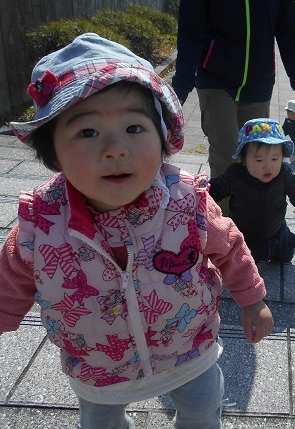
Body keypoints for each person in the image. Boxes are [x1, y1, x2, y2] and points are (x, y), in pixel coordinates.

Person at [0, 33, 274, 429]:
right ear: (53, 152)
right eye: (87, 132)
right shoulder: (39, 226)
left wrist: (252, 299)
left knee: (202, 408)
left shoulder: (187, 203)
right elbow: (9, 283)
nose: (115, 149)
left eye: (133, 127)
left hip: (188, 348)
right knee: (100, 423)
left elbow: (229, 247)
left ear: (162, 138)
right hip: (97, 365)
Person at [172, 0, 295, 185]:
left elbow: (290, 30)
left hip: (259, 83)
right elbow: (190, 29)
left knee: (257, 156)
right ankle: (220, 206)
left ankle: (250, 206)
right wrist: (181, 86)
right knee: (226, 155)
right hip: (215, 78)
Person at [209, 118, 295, 263]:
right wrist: (199, 192)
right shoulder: (235, 175)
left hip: (276, 229)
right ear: (244, 160)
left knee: (285, 256)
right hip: (245, 233)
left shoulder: (284, 173)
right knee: (247, 261)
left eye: (275, 159)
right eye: (259, 160)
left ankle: (282, 245)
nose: (268, 166)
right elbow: (215, 188)